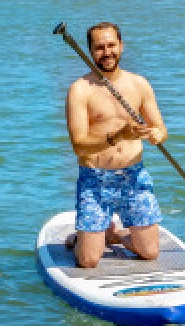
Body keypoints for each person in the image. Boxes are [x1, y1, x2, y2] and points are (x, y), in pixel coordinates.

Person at [64, 22, 167, 268]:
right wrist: (118, 135)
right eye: (99, 48)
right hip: (95, 179)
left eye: (111, 45)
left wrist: (156, 134)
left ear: (121, 46)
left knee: (150, 252)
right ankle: (83, 239)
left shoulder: (139, 84)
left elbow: (161, 129)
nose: (107, 52)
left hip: (134, 176)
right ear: (90, 51)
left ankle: (113, 234)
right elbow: (79, 145)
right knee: (88, 260)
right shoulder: (79, 90)